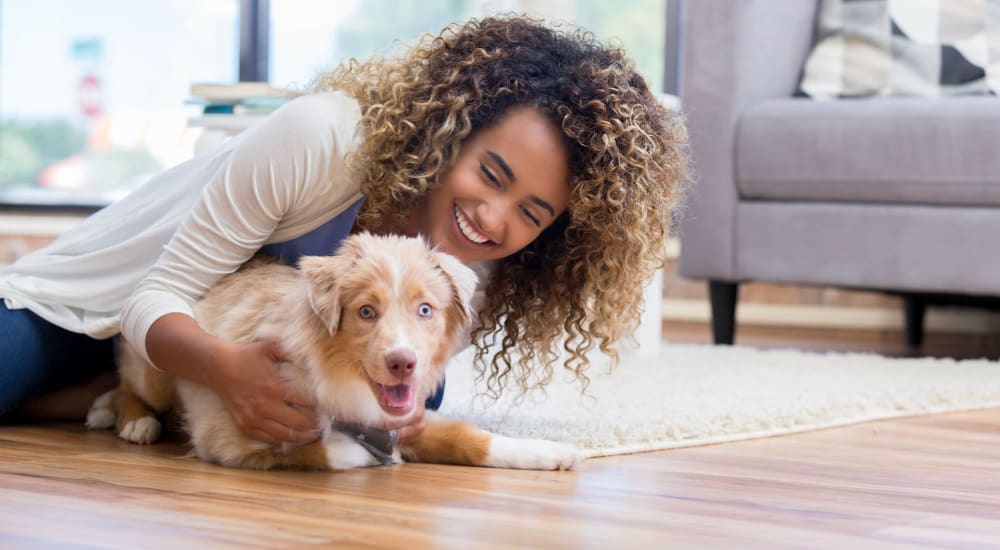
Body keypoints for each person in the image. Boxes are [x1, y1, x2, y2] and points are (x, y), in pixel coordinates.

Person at [0, 15, 687, 446]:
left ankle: (111, 395)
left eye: (533, 214)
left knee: (419, 389)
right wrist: (228, 373)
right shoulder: (322, 138)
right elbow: (157, 293)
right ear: (456, 129)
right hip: (88, 302)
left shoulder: (471, 260)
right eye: (493, 173)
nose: (494, 219)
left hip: (191, 339)